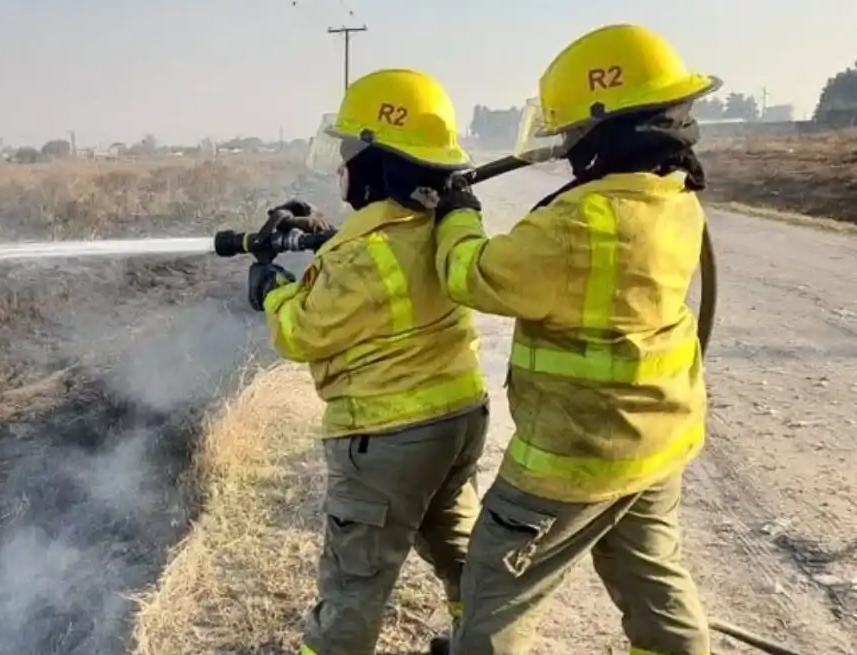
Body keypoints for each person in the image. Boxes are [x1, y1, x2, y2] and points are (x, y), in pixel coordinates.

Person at [432, 23, 718, 655]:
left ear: (604, 128)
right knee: (655, 586)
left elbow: (471, 274)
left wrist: (457, 216)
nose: (567, 147)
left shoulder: (579, 221)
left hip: (573, 456)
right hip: (654, 446)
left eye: (574, 134)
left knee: (494, 589)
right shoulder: (674, 197)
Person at [246, 68, 491, 655]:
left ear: (378, 165)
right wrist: (323, 237)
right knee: (458, 544)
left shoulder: (360, 257)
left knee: (355, 582)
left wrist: (270, 289)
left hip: (386, 436)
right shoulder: (440, 225)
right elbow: (386, 268)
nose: (343, 167)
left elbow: (301, 332)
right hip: (457, 419)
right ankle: (478, 640)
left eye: (352, 152)